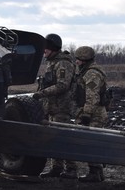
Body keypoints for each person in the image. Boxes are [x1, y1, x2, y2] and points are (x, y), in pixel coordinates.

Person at [33, 33, 78, 179]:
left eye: (46, 48)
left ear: (52, 48)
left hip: (62, 108)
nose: (44, 51)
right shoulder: (51, 62)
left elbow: (62, 85)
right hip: (52, 107)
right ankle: (56, 168)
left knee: (63, 138)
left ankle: (71, 169)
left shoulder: (63, 63)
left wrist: (42, 93)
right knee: (53, 138)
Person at [74, 46, 108, 182]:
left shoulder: (92, 74)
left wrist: (86, 114)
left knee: (91, 143)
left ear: (84, 59)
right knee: (93, 143)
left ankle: (95, 173)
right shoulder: (87, 71)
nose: (76, 62)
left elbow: (92, 97)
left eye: (78, 59)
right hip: (95, 112)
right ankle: (97, 173)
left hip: (95, 114)